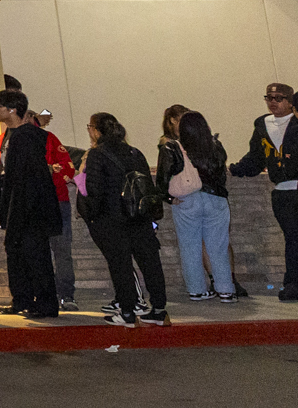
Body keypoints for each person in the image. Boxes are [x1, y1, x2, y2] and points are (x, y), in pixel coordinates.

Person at [80, 111, 168, 327]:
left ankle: (128, 313)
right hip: (139, 216)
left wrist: (90, 214)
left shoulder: (97, 155)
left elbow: (94, 190)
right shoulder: (135, 152)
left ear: (96, 131)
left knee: (121, 266)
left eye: (90, 127)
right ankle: (159, 310)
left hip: (112, 218)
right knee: (150, 263)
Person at [0, 88, 59, 318]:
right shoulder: (11, 136)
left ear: (12, 110)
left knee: (36, 257)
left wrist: (19, 210)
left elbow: (28, 179)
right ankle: (22, 299)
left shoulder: (26, 137)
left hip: (30, 210)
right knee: (16, 255)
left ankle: (45, 304)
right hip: (16, 206)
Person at [230, 81, 298, 301]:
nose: (273, 102)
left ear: (290, 101)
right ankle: (293, 283)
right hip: (283, 192)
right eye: (269, 98)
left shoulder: (296, 121)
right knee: (293, 238)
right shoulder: (262, 124)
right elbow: (256, 157)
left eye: (279, 98)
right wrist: (237, 169)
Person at [160, 109, 236, 303]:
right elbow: (221, 174)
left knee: (189, 247)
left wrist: (168, 198)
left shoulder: (172, 147)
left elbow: (162, 178)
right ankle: (226, 290)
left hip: (186, 200)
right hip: (216, 199)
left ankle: (197, 290)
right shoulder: (216, 146)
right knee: (218, 247)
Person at [32, 109, 79, 310]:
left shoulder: (49, 139)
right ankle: (42, 296)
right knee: (36, 252)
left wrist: (50, 181)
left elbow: (67, 168)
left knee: (62, 250)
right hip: (32, 204)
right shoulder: (10, 141)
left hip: (57, 201)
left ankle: (66, 295)